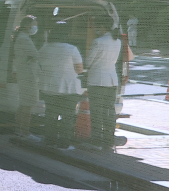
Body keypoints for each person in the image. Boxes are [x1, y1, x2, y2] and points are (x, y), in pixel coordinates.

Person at [37, 23, 84, 150]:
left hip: (49, 87)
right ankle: (63, 143)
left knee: (50, 115)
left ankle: (49, 140)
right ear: (67, 34)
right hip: (68, 88)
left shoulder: (44, 48)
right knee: (67, 117)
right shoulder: (72, 49)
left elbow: (39, 64)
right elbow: (79, 69)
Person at [85, 22, 123, 151]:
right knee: (109, 111)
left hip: (97, 80)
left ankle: (96, 140)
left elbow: (89, 62)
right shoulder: (117, 41)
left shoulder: (98, 41)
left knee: (97, 111)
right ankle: (109, 139)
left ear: (102, 26)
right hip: (112, 80)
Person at [11, 15, 41, 140]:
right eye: (34, 24)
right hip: (28, 75)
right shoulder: (25, 39)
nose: (35, 27)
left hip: (24, 74)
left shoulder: (22, 38)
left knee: (23, 103)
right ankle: (25, 131)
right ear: (28, 25)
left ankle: (19, 130)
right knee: (28, 104)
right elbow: (36, 55)